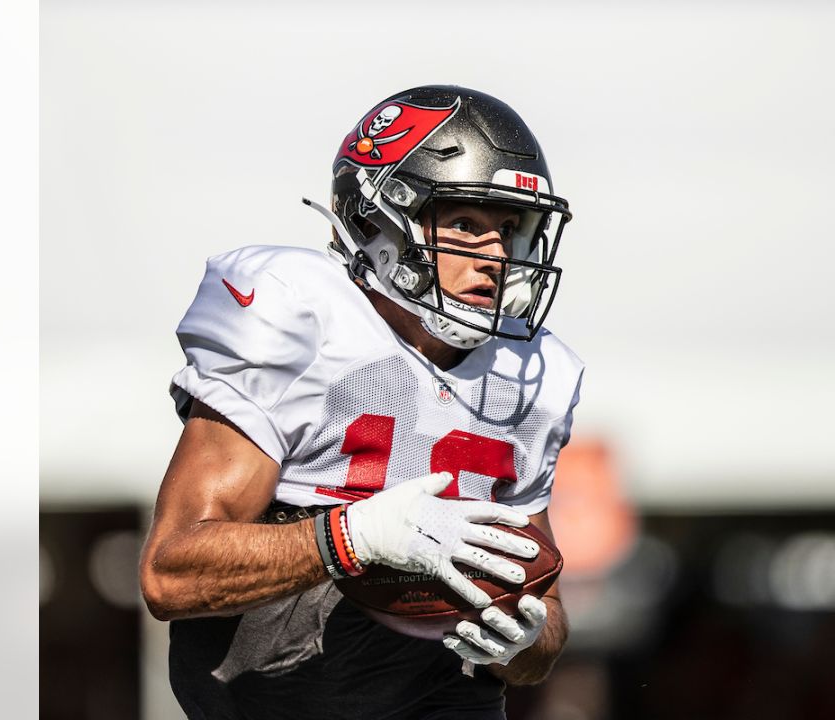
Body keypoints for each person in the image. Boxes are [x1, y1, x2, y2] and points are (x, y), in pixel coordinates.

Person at [139, 85, 584, 720]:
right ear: (381, 221)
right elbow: (172, 570)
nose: (496, 256)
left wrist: (520, 640)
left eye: (508, 230)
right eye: (465, 223)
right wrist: (351, 539)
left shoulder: (533, 372)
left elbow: (546, 622)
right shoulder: (302, 318)